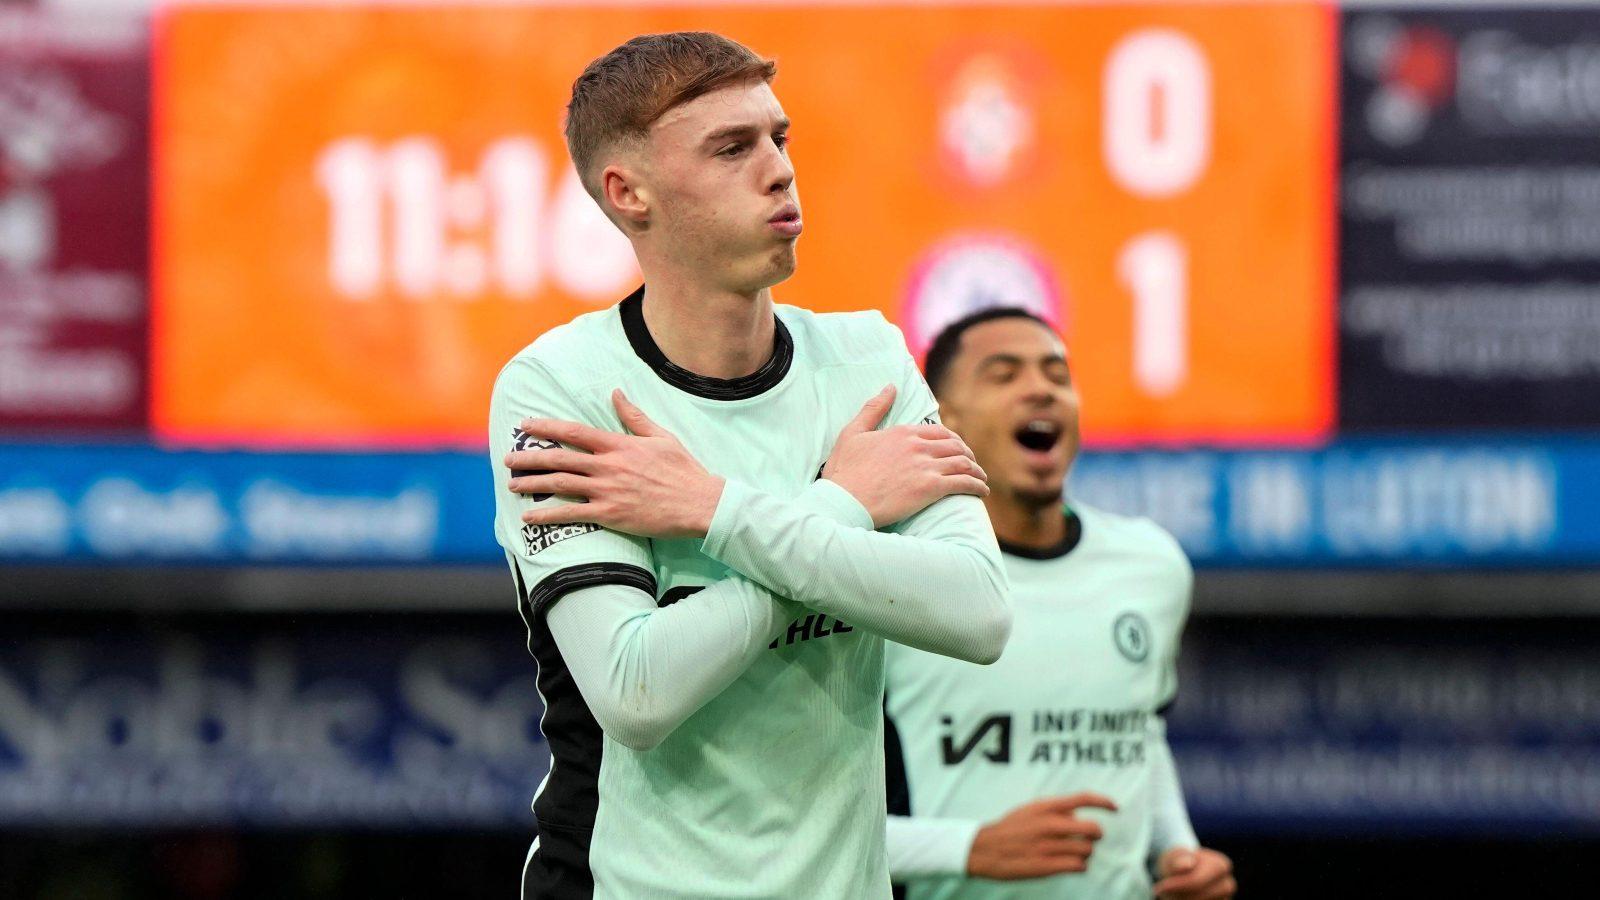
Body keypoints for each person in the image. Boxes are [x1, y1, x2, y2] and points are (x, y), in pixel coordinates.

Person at [490, 32, 1012, 899]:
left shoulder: (866, 361)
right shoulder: (561, 388)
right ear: (629, 194)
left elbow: (979, 613)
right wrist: (840, 504)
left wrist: (715, 510)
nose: (777, 169)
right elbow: (639, 690)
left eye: (779, 139)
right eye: (732, 148)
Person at [883, 308, 1235, 900]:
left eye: (1056, 373)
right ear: (943, 418)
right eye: (1004, 375)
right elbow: (803, 829)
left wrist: (1177, 850)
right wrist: (967, 849)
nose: (1040, 388)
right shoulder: (888, 575)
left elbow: (1140, 734)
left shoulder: (1152, 564)